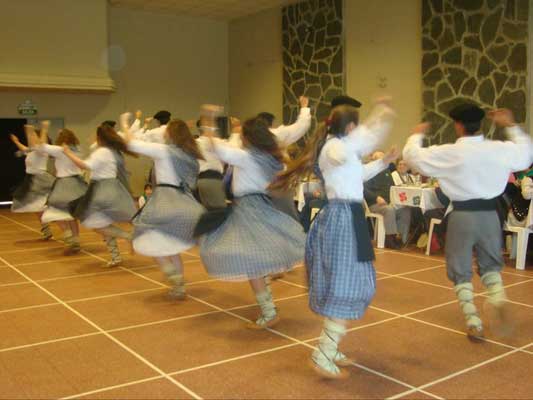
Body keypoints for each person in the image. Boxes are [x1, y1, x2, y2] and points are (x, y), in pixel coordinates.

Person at [271, 98, 396, 379]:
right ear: (351, 126)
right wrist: (383, 113)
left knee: (351, 281)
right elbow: (356, 147)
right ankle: (324, 351)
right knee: (346, 284)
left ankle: (331, 346)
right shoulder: (335, 147)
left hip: (349, 217)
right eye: (357, 126)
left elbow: (356, 174)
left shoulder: (340, 148)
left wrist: (383, 162)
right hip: (342, 219)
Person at [403, 105, 532, 340]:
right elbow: (526, 154)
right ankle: (497, 296)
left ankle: (473, 319)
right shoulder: (498, 149)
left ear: (458, 126)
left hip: (462, 215)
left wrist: (416, 135)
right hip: (490, 215)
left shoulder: (449, 152)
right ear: (480, 125)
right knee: (490, 265)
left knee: (460, 269)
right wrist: (511, 126)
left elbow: (412, 158)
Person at [195, 106, 306, 329]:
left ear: (248, 137)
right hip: (261, 206)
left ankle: (269, 312)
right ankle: (269, 305)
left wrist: (208, 120)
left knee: (250, 263)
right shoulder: (269, 157)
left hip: (249, 209)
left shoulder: (246, 157)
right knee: (256, 258)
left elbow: (217, 147)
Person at [122, 114, 205, 299]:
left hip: (165, 199)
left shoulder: (164, 150)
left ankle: (172, 275)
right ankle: (179, 287)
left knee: (144, 233)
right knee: (172, 248)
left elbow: (131, 144)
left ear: (169, 134)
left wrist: (125, 123)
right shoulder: (190, 154)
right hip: (185, 201)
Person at [62, 124, 137, 267]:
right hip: (108, 188)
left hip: (102, 189)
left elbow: (85, 165)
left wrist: (68, 153)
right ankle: (116, 256)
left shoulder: (102, 151)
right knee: (102, 223)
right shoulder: (111, 151)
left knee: (93, 223)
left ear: (99, 137)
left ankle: (128, 237)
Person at [29, 126, 87, 254]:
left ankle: (68, 236)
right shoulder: (77, 149)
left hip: (64, 183)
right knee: (72, 215)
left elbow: (42, 146)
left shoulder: (60, 150)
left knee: (53, 209)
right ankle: (75, 239)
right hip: (77, 183)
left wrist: (43, 129)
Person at [9, 122, 55, 240]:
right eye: (32, 136)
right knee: (35, 207)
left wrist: (43, 129)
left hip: (41, 180)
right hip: (32, 180)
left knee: (44, 206)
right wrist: (16, 141)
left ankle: (63, 227)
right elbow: (24, 148)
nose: (31, 138)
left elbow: (40, 144)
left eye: (34, 136)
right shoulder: (31, 151)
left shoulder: (42, 151)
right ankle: (46, 229)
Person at [364, 151, 411, 248]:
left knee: (405, 210)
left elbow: (392, 187)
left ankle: (401, 238)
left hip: (389, 202)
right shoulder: (368, 172)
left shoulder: (386, 171)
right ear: (373, 160)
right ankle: (390, 239)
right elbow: (362, 189)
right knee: (389, 209)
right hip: (374, 204)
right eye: (379, 158)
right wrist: (376, 197)